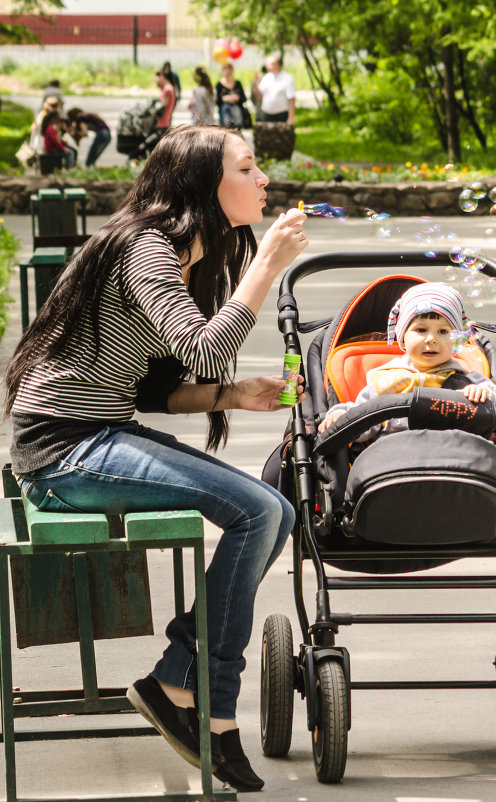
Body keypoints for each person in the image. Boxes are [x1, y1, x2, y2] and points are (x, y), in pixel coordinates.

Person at [4, 125, 309, 791]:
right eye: (248, 169)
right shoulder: (148, 247)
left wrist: (234, 393)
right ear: (204, 184)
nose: (263, 181)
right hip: (63, 452)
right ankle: (205, 701)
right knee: (259, 511)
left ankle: (182, 683)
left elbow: (152, 388)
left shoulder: (183, 253)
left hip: (98, 435)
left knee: (275, 511)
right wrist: (266, 268)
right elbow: (201, 348)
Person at [318, 282, 496, 440]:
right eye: (421, 330)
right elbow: (364, 418)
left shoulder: (467, 379)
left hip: (455, 458)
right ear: (402, 338)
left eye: (443, 332)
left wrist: (485, 396)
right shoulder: (385, 380)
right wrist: (342, 417)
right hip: (398, 461)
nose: (431, 339)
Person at [252, 55, 296, 124]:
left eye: (270, 64)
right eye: (267, 64)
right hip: (266, 115)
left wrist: (291, 117)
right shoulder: (266, 78)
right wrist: (256, 83)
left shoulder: (287, 78)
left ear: (278, 65)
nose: (267, 66)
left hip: (281, 115)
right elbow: (259, 96)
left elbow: (291, 99)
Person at [215, 63, 250, 130]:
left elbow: (244, 98)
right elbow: (217, 101)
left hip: (237, 115)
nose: (228, 72)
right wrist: (225, 99)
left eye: (230, 70)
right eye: (226, 70)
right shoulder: (219, 85)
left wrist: (237, 97)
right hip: (225, 115)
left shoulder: (237, 83)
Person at [154, 69, 176, 138]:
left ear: (162, 77)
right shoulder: (170, 88)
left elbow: (162, 107)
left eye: (157, 78)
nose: (156, 81)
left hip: (162, 124)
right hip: (165, 122)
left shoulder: (167, 89)